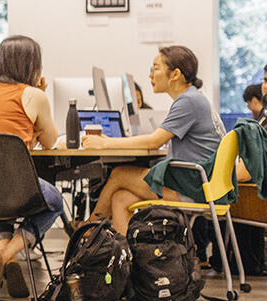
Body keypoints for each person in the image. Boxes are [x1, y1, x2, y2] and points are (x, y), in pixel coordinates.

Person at [83, 45, 221, 235]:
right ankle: (128, 260)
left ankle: (87, 230)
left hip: (195, 188)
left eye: (155, 68)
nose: (150, 75)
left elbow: (153, 142)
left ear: (175, 74)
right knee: (121, 198)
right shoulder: (193, 98)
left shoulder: (188, 101)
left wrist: (104, 143)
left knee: (120, 174)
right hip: (200, 184)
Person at [0, 36, 66, 298]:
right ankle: (6, 254)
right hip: (14, 184)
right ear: (31, 64)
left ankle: (6, 259)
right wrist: (42, 95)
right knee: (54, 201)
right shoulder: (34, 95)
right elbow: (50, 142)